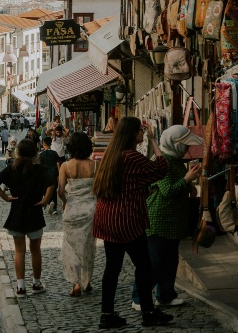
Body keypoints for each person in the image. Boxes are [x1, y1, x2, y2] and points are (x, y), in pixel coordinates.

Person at [92, 117, 172, 329]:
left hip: (108, 218)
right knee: (144, 266)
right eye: (140, 130)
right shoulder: (132, 157)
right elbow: (161, 168)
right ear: (132, 133)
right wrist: (154, 141)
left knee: (112, 268)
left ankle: (107, 315)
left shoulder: (111, 154)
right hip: (126, 220)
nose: (143, 133)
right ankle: (148, 312)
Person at [131, 125, 204, 312]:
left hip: (173, 221)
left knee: (170, 261)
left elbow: (177, 184)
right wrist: (187, 179)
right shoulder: (161, 160)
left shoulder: (175, 160)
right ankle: (139, 297)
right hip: (158, 220)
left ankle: (165, 295)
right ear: (175, 144)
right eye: (185, 145)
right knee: (153, 262)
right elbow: (167, 190)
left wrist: (189, 184)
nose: (187, 149)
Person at [0, 139, 55, 296]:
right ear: (35, 153)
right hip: (35, 213)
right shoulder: (40, 169)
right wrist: (45, 200)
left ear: (17, 152)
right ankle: (37, 284)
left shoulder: (12, 169)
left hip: (17, 214)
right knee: (35, 250)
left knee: (19, 251)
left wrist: (6, 197)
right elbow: (52, 184)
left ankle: (21, 287)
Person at [59, 132, 97, 297]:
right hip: (90, 210)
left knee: (71, 247)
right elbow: (99, 188)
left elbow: (61, 190)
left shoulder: (65, 166)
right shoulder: (95, 165)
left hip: (72, 210)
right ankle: (86, 282)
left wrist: (65, 202)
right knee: (88, 247)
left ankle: (76, 283)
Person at [38, 136, 61, 214]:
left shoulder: (41, 154)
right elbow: (58, 163)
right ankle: (54, 207)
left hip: (45, 175)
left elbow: (40, 166)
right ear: (51, 144)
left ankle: (48, 203)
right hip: (54, 173)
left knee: (45, 189)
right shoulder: (54, 153)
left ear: (43, 144)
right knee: (54, 190)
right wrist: (59, 174)